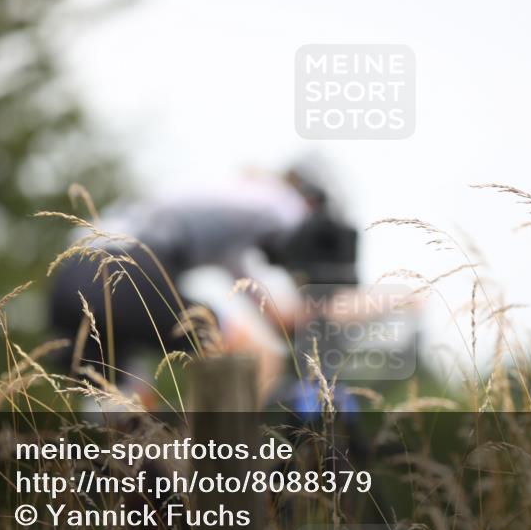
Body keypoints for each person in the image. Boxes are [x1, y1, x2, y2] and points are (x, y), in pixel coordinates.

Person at [48, 161, 358, 405]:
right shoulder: (278, 198)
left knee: (131, 417)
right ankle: (209, 470)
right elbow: (300, 236)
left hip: (68, 279)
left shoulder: (226, 220)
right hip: (123, 268)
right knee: (259, 357)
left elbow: (275, 313)